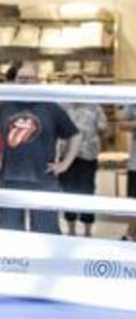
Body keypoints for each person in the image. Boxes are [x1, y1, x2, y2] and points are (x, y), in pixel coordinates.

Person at [0, 63, 81, 234]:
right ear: (15, 82)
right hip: (11, 180)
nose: (25, 82)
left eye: (30, 78)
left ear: (38, 81)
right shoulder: (4, 106)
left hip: (44, 181)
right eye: (21, 79)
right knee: (9, 234)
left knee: (46, 235)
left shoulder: (51, 107)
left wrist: (64, 164)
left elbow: (75, 135)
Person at [59, 74, 107, 237]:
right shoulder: (62, 106)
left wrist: (98, 130)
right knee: (68, 191)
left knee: (87, 190)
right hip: (66, 156)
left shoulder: (94, 106)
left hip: (88, 155)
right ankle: (71, 228)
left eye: (80, 85)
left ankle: (87, 230)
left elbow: (103, 127)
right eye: (73, 85)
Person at [120, 102, 136, 241]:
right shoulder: (133, 100)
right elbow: (122, 124)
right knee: (133, 201)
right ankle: (130, 235)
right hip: (135, 164)